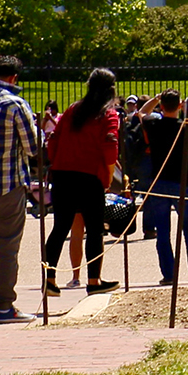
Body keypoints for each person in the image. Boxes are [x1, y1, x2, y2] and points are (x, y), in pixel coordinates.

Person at [0, 55, 43, 324]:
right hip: (7, 186)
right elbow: (33, 148)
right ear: (14, 78)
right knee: (7, 250)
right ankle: (4, 307)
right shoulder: (15, 104)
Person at [41, 67, 121, 296]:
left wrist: (58, 163)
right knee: (95, 230)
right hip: (90, 176)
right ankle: (93, 281)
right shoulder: (108, 113)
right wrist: (107, 177)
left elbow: (53, 140)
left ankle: (50, 279)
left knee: (59, 228)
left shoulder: (73, 110)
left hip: (63, 174)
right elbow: (110, 148)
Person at [137, 89, 188, 286]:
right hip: (181, 182)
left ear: (161, 106)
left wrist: (156, 99)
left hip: (159, 182)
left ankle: (169, 274)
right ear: (180, 106)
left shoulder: (153, 124)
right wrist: (187, 158)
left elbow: (140, 113)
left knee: (163, 231)